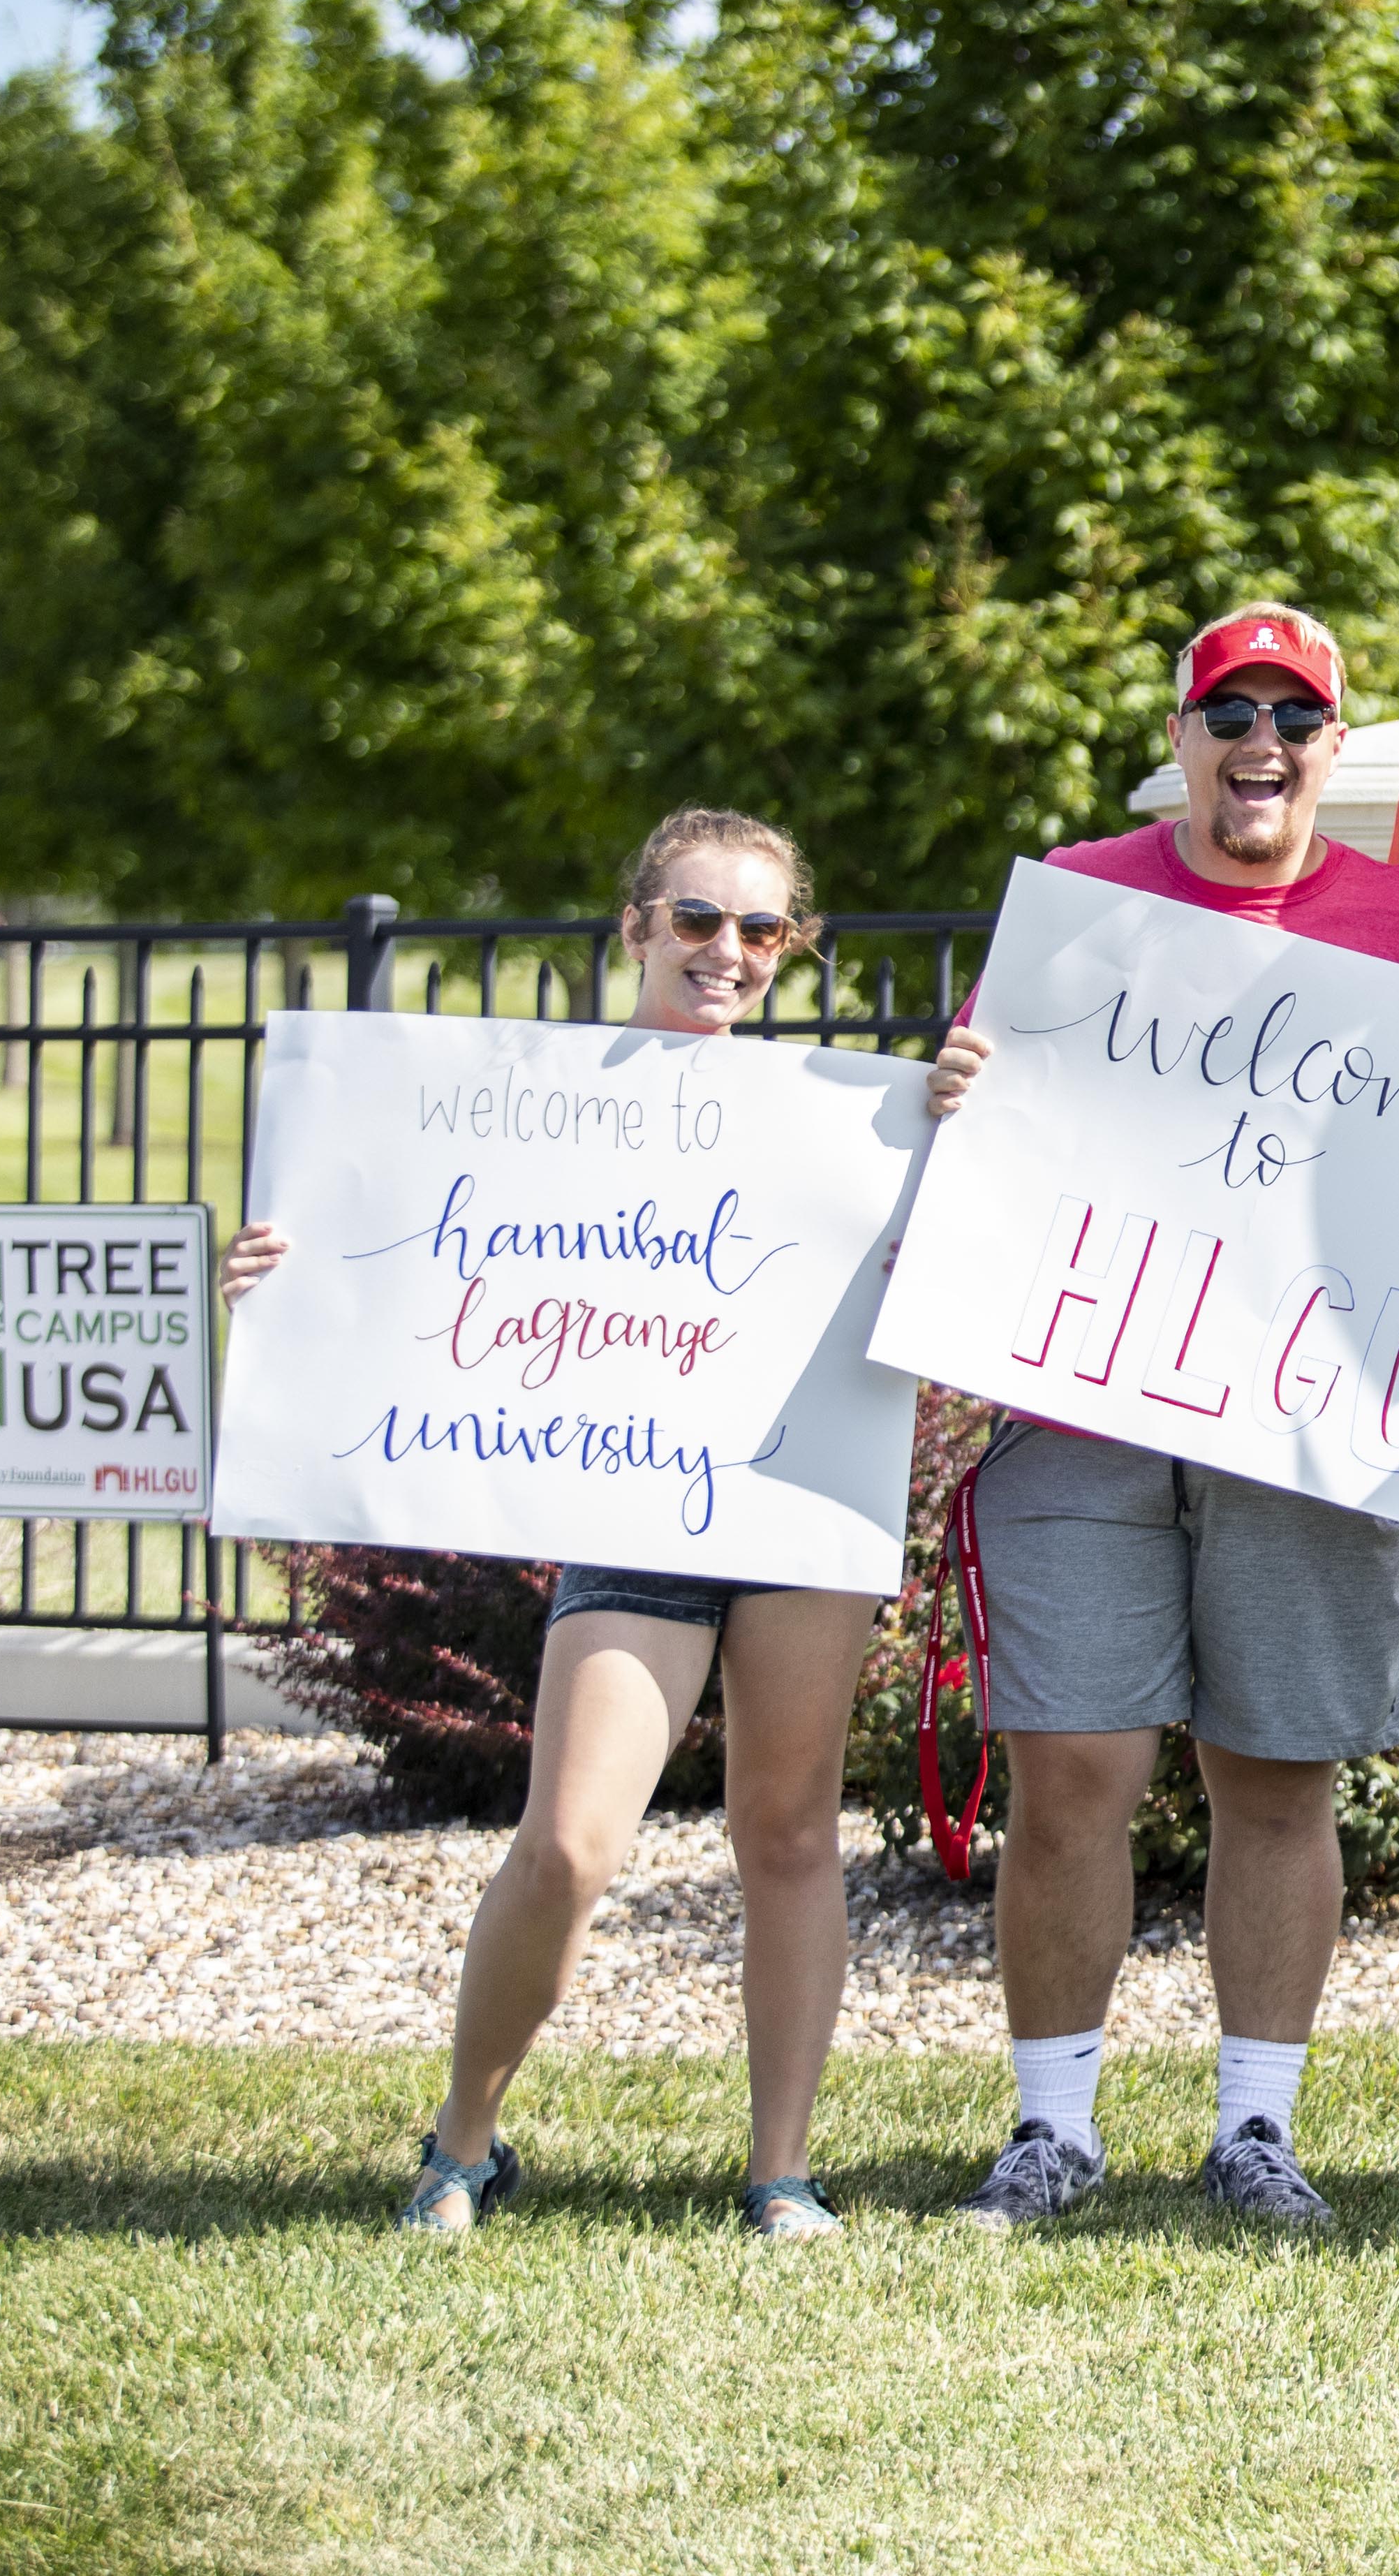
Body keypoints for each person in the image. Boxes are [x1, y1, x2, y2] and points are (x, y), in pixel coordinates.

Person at [921, 603, 1399, 2232]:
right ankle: (1056, 2128)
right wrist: (957, 1087)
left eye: (1295, 718)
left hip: (1316, 1405)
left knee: (1276, 1770)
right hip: (1086, 1390)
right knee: (1073, 1768)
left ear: (1335, 744)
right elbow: (990, 1107)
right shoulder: (1082, 902)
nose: (1261, 743)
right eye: (1229, 710)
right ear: (1180, 732)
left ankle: (1257, 2128)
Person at [223, 808, 903, 2238]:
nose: (729, 950)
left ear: (792, 949)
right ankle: (464, 2137)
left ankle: (782, 2168)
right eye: (700, 919)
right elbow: (391, 1237)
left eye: (762, 928)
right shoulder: (530, 1095)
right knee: (570, 1844)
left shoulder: (839, 1123)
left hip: (794, 1495)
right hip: (637, 1504)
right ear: (637, 925)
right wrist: (283, 1270)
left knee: (787, 1833)